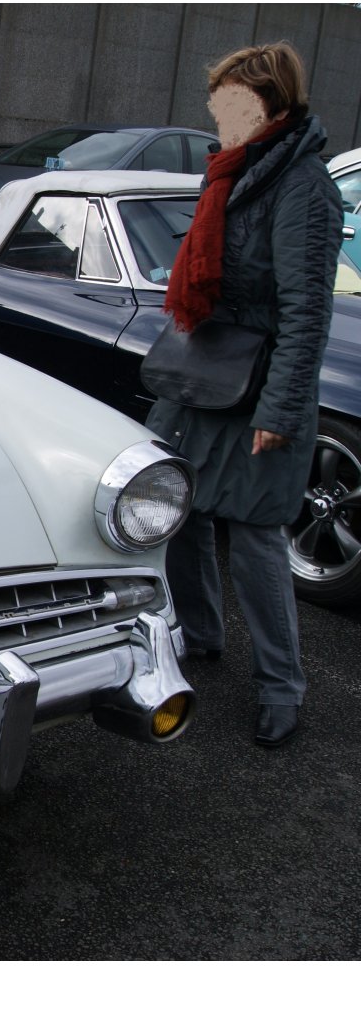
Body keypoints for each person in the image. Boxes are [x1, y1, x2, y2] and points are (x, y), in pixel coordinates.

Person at [147, 42, 342, 748]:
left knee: (257, 539)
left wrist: (281, 413)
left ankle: (281, 688)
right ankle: (201, 637)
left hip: (259, 386)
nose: (219, 114)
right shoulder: (233, 169)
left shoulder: (303, 185)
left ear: (273, 106)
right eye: (218, 101)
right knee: (183, 513)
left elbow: (306, 314)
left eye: (234, 102)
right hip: (203, 371)